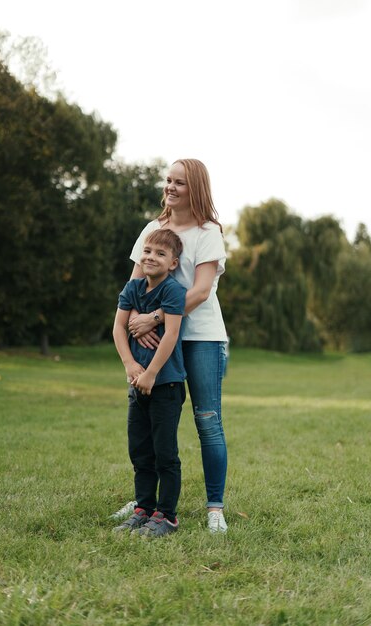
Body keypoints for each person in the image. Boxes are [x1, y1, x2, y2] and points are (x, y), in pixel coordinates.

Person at [127, 158, 228, 533]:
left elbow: (200, 291)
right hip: (153, 338)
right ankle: (146, 502)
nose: (170, 187)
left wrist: (154, 317)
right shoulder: (153, 229)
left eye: (179, 182)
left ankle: (214, 508)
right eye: (168, 180)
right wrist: (137, 325)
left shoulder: (208, 233)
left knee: (207, 422)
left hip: (200, 336)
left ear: (195, 189)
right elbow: (135, 284)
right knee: (149, 421)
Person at [112, 228, 186, 538]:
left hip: (165, 384)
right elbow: (118, 328)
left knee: (164, 452)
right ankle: (143, 509)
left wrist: (152, 373)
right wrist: (130, 364)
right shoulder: (132, 288)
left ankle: (166, 516)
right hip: (136, 384)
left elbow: (169, 334)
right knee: (140, 450)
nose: (150, 257)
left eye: (160, 253)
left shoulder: (173, 291)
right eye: (147, 251)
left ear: (173, 263)